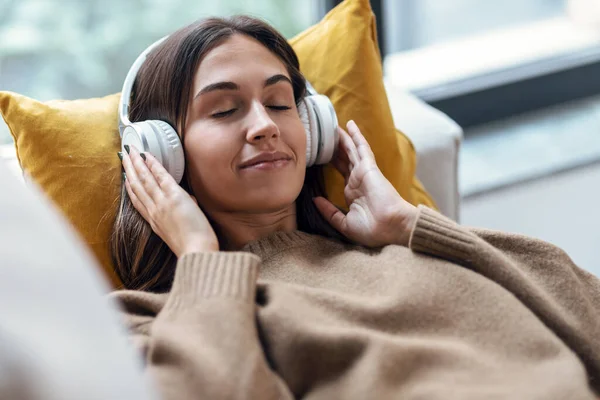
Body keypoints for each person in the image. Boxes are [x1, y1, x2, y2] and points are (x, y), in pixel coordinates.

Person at [110, 16, 600, 400]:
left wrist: (410, 223)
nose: (264, 126)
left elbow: (587, 312)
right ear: (159, 155)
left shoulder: (402, 243)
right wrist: (202, 258)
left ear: (314, 128)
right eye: (224, 110)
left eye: (281, 104)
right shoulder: (145, 322)